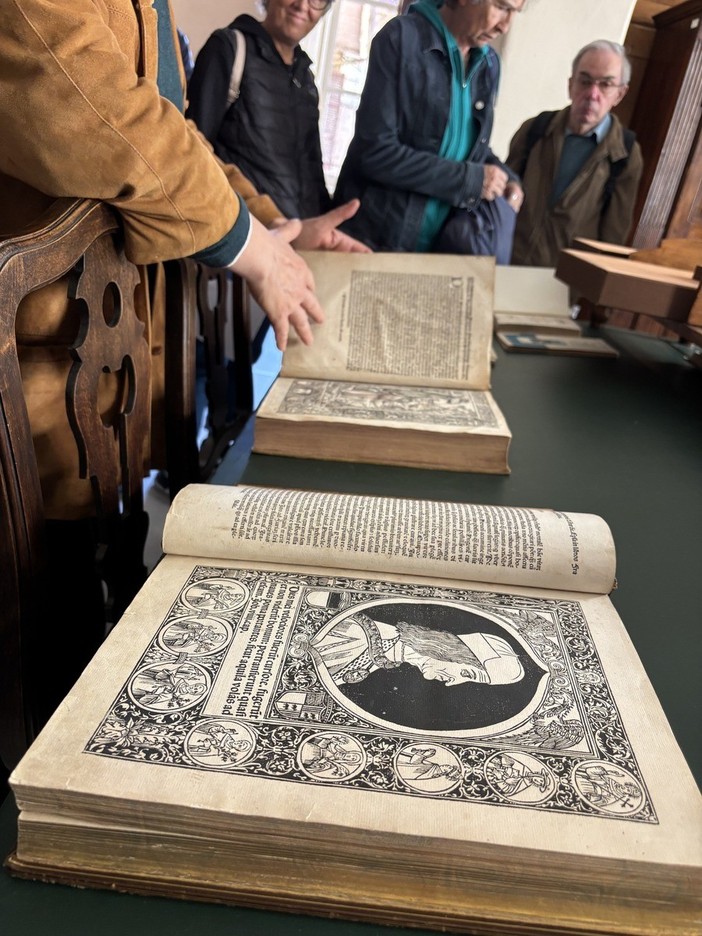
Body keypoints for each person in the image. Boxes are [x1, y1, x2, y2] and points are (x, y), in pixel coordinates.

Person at [0, 0, 366, 721]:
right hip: (30, 400)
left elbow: (175, 134)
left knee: (97, 621)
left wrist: (270, 227)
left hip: (101, 383)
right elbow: (87, 106)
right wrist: (251, 244)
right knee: (40, 649)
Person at [332, 0, 526, 253]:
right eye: (502, 7)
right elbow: (375, 152)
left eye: (515, 12)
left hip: (442, 249)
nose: (506, 25)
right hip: (372, 243)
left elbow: (469, 147)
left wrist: (508, 179)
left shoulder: (490, 64)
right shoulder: (401, 38)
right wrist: (469, 180)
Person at [187, 0, 334, 220]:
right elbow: (194, 150)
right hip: (243, 231)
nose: (303, 6)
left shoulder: (306, 80)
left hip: (296, 238)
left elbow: (313, 172)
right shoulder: (229, 47)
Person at [506, 40, 644, 268]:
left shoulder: (625, 154)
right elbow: (501, 199)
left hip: (562, 284)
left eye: (605, 85)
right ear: (571, 85)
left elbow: (613, 237)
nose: (592, 94)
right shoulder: (535, 129)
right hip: (507, 265)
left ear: (620, 94)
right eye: (585, 81)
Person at [310, 611, 525, 687]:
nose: (452, 683)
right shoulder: (358, 633)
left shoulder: (381, 657)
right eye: (467, 673)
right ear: (451, 650)